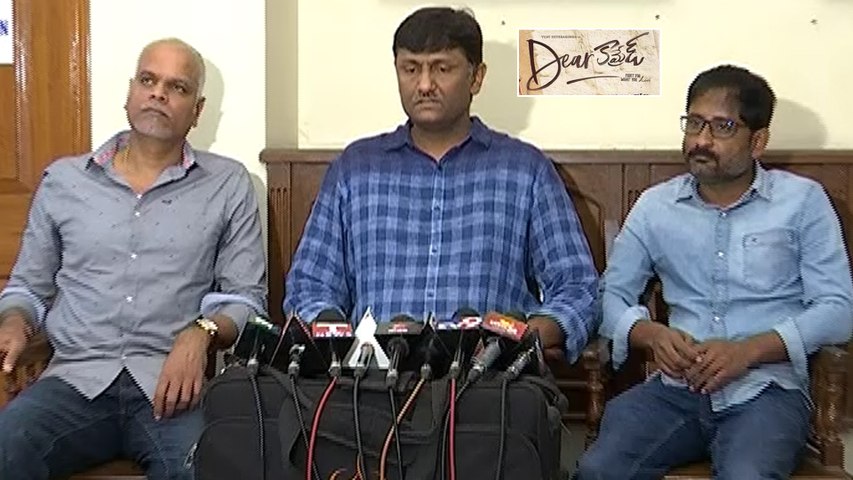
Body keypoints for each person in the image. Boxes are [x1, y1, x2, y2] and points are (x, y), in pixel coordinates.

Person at [0, 38, 266, 480]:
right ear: (130, 92)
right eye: (148, 80)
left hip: (171, 389)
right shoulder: (65, 181)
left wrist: (200, 333)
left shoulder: (227, 184)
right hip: (73, 381)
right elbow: (29, 287)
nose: (159, 94)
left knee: (205, 468)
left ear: (197, 111)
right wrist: (13, 320)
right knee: (5, 448)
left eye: (177, 87)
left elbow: (246, 299)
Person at [576, 65, 853, 479]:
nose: (701, 140)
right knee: (598, 469)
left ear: (757, 141)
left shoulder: (802, 203)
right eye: (694, 123)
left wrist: (749, 350)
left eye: (723, 127)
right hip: (676, 389)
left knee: (746, 475)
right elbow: (609, 296)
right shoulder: (655, 207)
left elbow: (838, 309)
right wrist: (651, 335)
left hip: (766, 391)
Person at [284, 7, 598, 362]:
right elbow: (309, 287)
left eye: (442, 69)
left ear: (476, 77)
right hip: (369, 380)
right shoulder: (355, 169)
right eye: (410, 69)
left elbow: (577, 287)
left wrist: (519, 340)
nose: (424, 85)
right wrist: (338, 345)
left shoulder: (525, 170)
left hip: (489, 379)